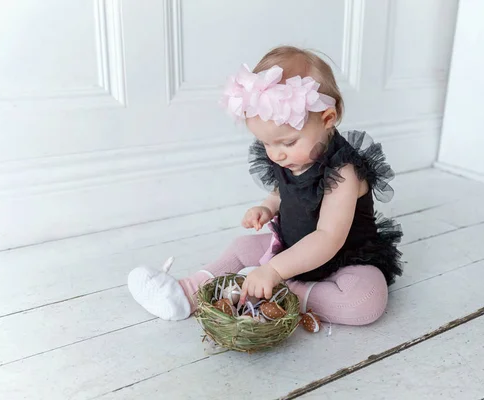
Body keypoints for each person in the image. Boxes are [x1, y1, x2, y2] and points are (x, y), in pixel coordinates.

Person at [128, 45, 403, 327]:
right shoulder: (290, 157)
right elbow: (286, 190)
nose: (276, 154)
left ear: (328, 119)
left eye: (287, 142)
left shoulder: (344, 173)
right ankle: (185, 292)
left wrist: (273, 270)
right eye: (266, 143)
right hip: (290, 248)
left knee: (364, 303)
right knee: (240, 247)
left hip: (344, 260)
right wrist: (268, 206)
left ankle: (280, 290)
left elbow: (327, 238)